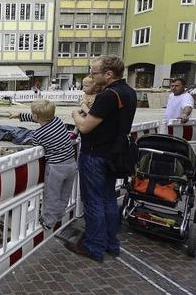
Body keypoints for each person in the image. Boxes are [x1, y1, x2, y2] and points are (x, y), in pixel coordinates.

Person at [70, 56, 137, 262]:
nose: (91, 76)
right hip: (114, 155)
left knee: (93, 202)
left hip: (95, 154)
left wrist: (75, 114)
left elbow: (84, 127)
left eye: (94, 73)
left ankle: (94, 246)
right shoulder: (129, 92)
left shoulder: (108, 95)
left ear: (108, 74)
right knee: (108, 199)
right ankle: (111, 243)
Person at [13, 100, 77, 230]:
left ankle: (48, 222)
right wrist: (19, 115)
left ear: (36, 116)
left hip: (56, 167)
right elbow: (39, 117)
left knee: (51, 195)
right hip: (71, 163)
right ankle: (59, 214)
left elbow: (36, 147)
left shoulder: (38, 134)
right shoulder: (58, 121)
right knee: (64, 193)